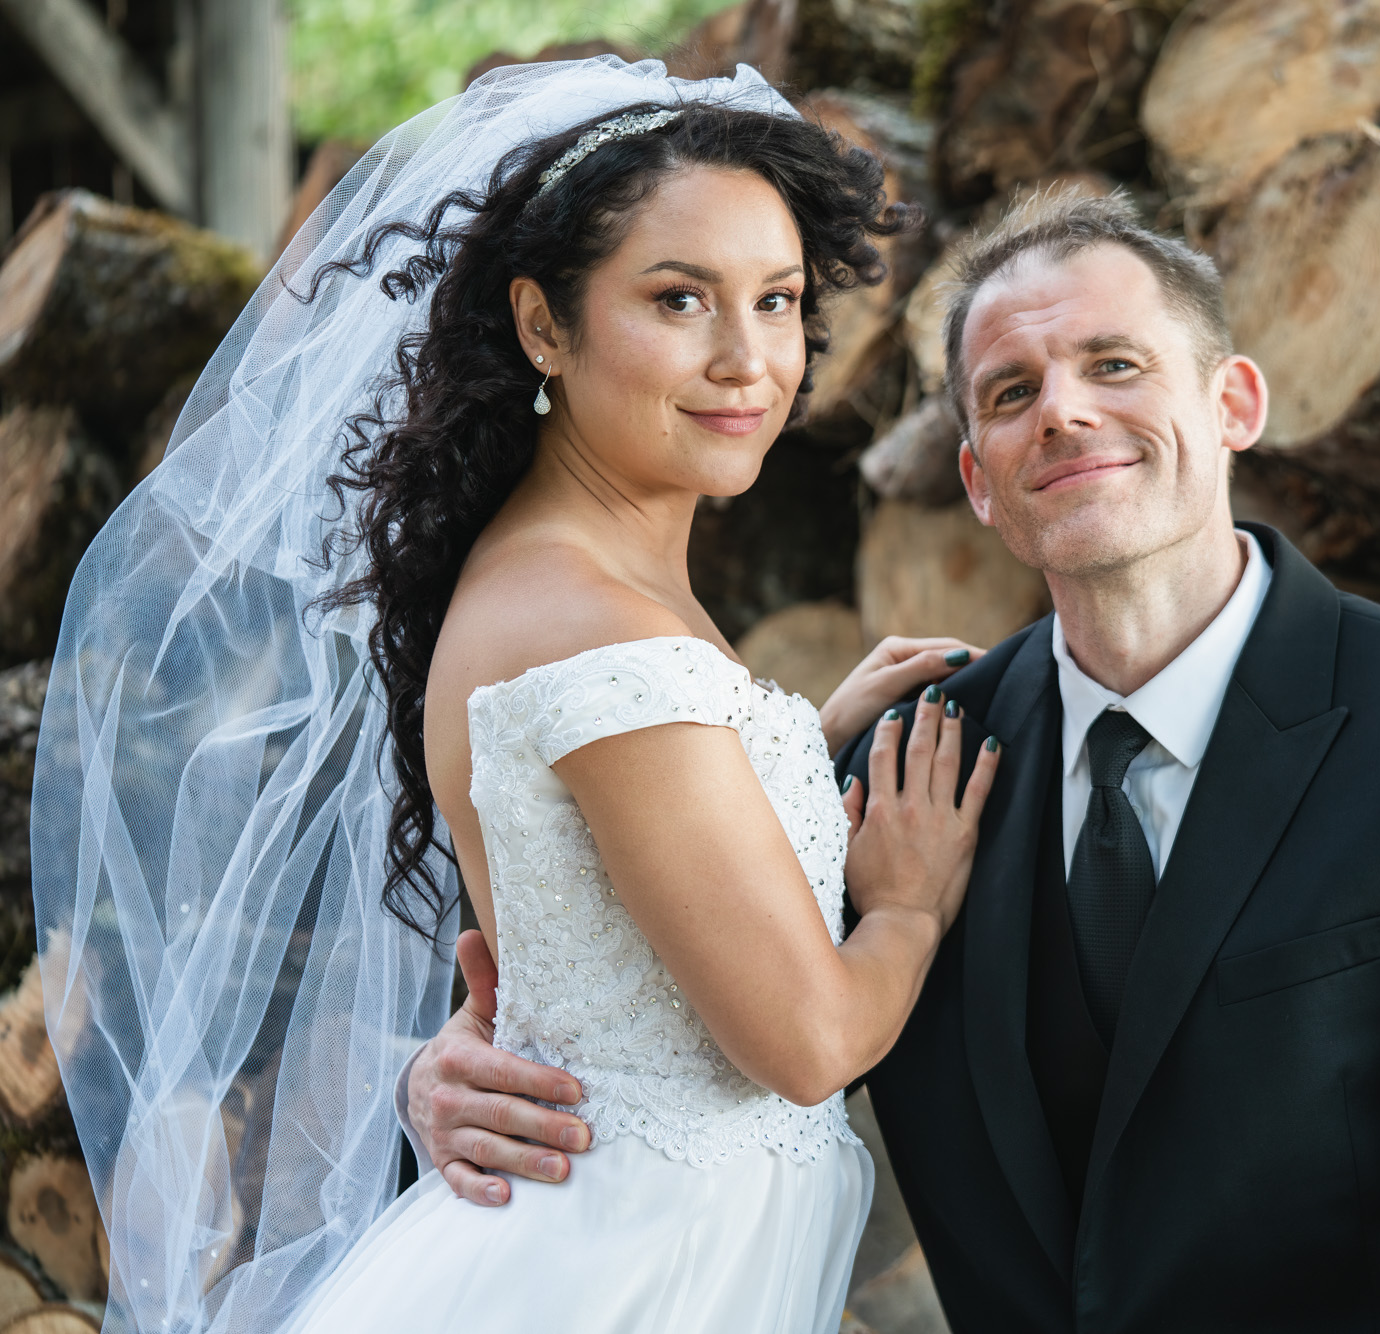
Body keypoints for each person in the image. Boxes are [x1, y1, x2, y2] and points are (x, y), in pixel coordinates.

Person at [406, 189, 1380, 1331]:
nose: (1062, 408)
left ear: (1233, 406)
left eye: (1114, 364)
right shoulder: (911, 769)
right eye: (1008, 393)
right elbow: (673, 1013)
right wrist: (448, 1076)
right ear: (978, 483)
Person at [33, 59, 1001, 1334]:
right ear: (543, 323)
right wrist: (913, 910)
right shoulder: (594, 624)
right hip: (616, 1269)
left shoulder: (569, 578)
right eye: (678, 299)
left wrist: (785, 744)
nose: (746, 358)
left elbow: (627, 854)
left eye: (775, 301)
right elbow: (810, 1040)